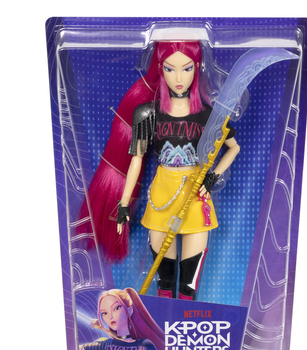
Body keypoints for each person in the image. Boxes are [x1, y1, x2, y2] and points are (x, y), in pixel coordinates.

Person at [80, 40, 240, 300]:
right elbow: (136, 160)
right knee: (164, 280)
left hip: (195, 197)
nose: (178, 78)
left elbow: (233, 148)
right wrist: (123, 204)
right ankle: (161, 320)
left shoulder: (208, 115)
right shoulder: (147, 114)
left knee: (189, 284)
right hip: (161, 197)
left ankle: (186, 320)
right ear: (160, 69)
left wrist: (211, 178)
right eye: (170, 69)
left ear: (197, 67)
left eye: (186, 69)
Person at [80, 288, 170, 350]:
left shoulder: (145, 346)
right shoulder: (106, 345)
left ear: (130, 310)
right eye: (104, 313)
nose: (110, 316)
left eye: (116, 308)